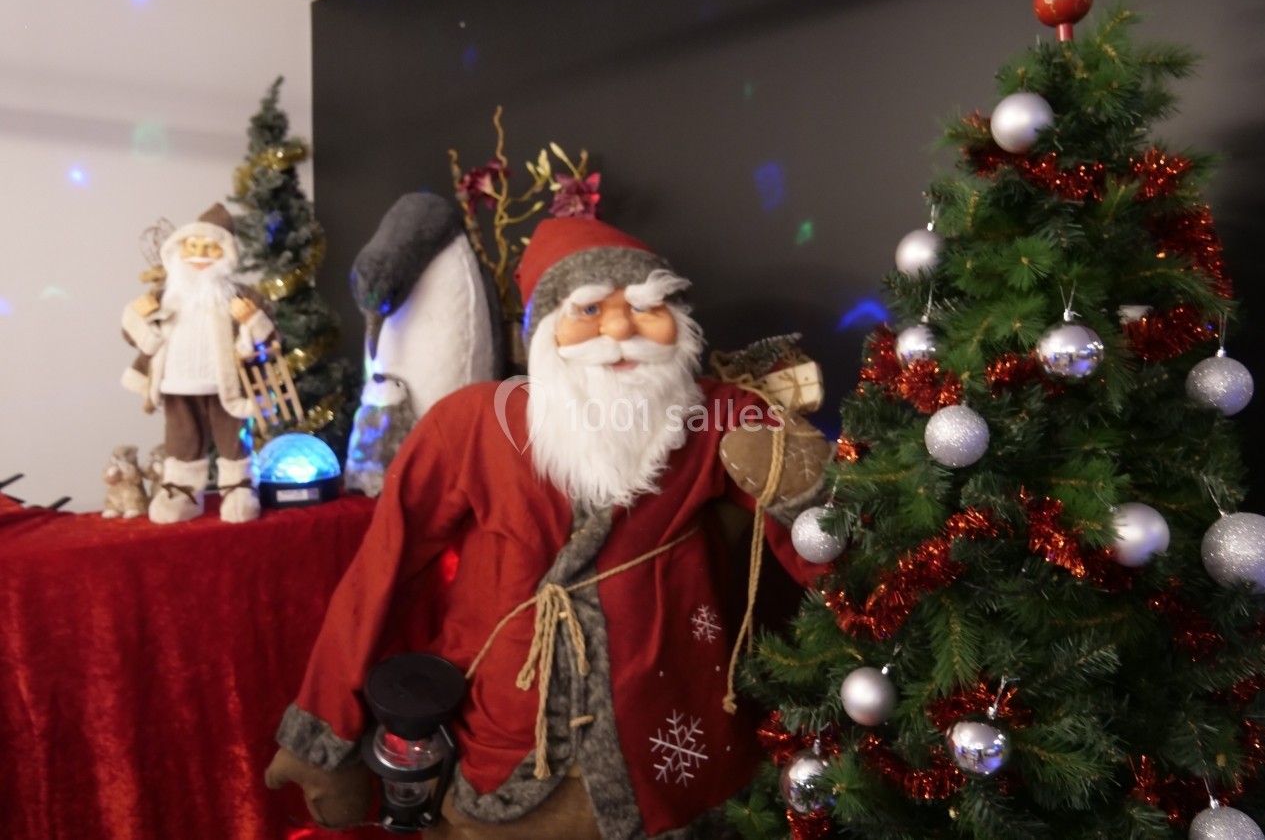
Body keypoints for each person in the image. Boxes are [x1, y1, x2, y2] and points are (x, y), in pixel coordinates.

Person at [265, 218, 830, 838]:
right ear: (544, 332)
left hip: (672, 747)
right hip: (506, 743)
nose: (618, 330)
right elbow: (383, 570)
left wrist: (808, 495)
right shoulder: (475, 423)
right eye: (589, 309)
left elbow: (819, 541)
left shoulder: (715, 415)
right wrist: (327, 732)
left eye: (646, 308)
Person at [121, 203, 276, 524]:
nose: (201, 255)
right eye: (194, 247)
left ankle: (239, 488)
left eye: (211, 248)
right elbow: (131, 333)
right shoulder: (164, 295)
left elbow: (271, 339)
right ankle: (182, 492)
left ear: (226, 254)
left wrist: (252, 320)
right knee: (181, 438)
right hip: (176, 382)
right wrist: (140, 317)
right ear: (179, 250)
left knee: (234, 437)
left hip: (227, 385)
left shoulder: (242, 296)